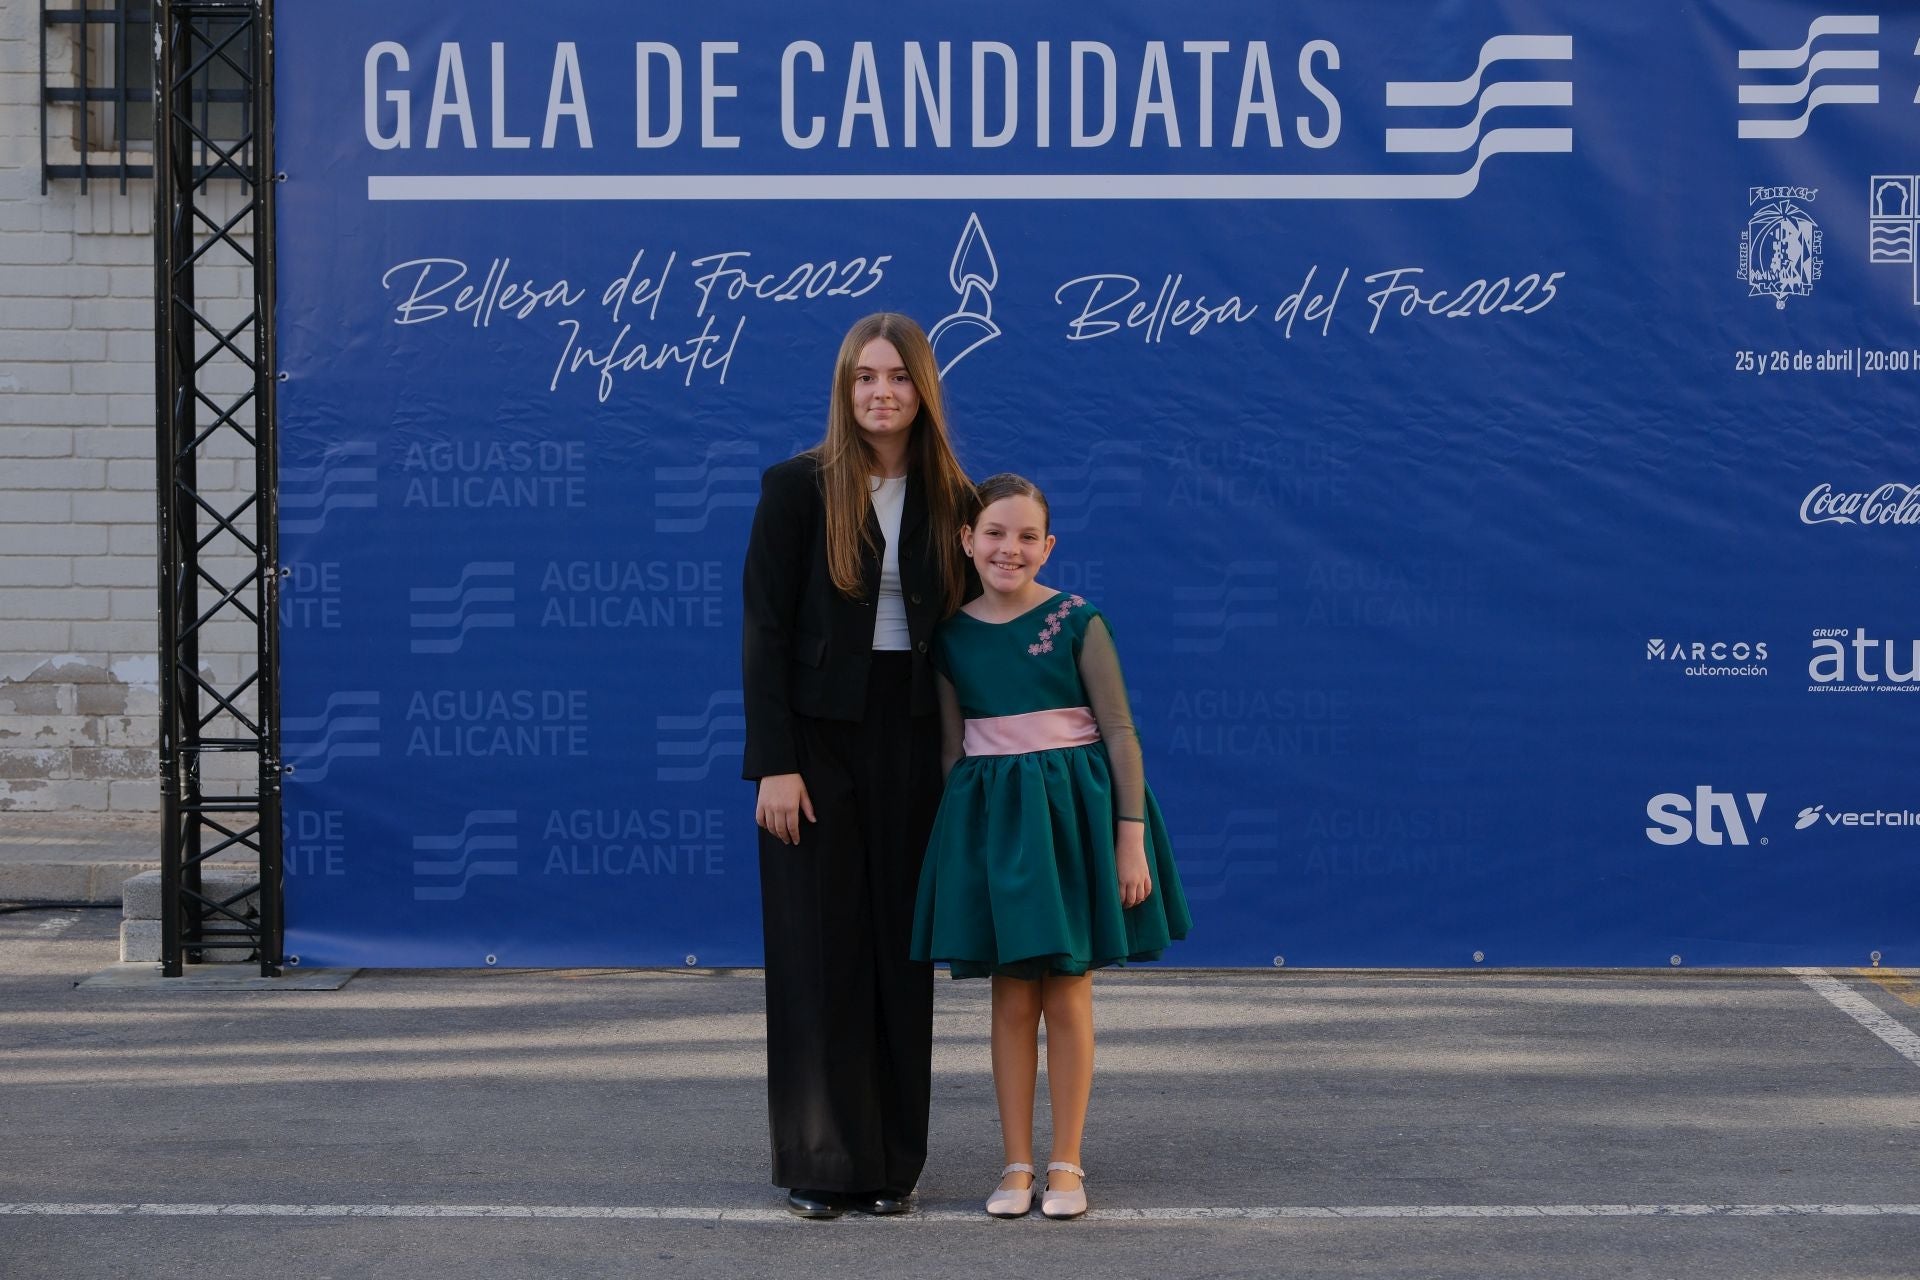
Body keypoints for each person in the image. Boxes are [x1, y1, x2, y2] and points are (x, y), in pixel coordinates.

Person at [740, 313, 975, 1219]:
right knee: (816, 951)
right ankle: (821, 1161)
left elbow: (976, 623)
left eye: (899, 376)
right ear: (844, 390)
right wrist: (775, 764)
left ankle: (891, 1166)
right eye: (864, 377)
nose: (882, 391)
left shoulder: (953, 495)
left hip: (912, 740)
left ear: (924, 390)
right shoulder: (796, 487)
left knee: (894, 953)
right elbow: (763, 633)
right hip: (813, 743)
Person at [909, 473, 1191, 1220]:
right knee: (1010, 997)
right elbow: (949, 753)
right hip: (997, 830)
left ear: (1049, 545)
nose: (1011, 548)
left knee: (1066, 989)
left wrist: (1128, 840)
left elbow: (1120, 731)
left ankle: (1066, 1162)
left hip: (1072, 825)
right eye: (995, 533)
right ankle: (1016, 1164)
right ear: (966, 540)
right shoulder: (949, 637)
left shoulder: (1077, 620)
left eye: (1028, 536)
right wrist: (964, 859)